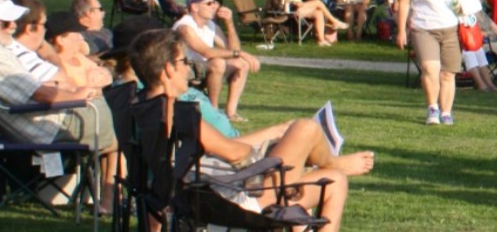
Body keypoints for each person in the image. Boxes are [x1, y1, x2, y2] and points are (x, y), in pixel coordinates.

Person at [128, 29, 374, 231]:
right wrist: (261, 155)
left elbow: (215, 150)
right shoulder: (176, 114)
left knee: (334, 181)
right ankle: (334, 161)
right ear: (169, 69)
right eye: (184, 62)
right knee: (306, 129)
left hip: (201, 195)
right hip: (230, 201)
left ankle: (331, 166)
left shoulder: (145, 110)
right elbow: (235, 154)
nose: (189, 68)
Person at [0, 0, 119, 208]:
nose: (13, 26)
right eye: (6, 22)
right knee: (118, 119)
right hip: (38, 127)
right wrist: (77, 94)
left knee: (108, 110)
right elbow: (41, 94)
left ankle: (104, 198)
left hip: (10, 125)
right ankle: (109, 200)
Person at [396, 0, 473, 126]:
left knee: (448, 73)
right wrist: (401, 30)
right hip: (423, 27)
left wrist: (462, 3)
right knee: (430, 68)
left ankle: (446, 112)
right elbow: (404, 1)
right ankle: (432, 108)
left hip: (450, 27)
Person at [174, 0, 262, 121]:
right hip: (184, 67)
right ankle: (213, 110)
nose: (215, 6)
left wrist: (229, 23)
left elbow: (233, 51)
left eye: (215, 3)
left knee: (241, 64)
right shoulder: (185, 26)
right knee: (218, 63)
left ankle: (231, 113)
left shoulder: (210, 26)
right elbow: (206, 52)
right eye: (209, 4)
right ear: (195, 7)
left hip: (201, 67)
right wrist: (241, 53)